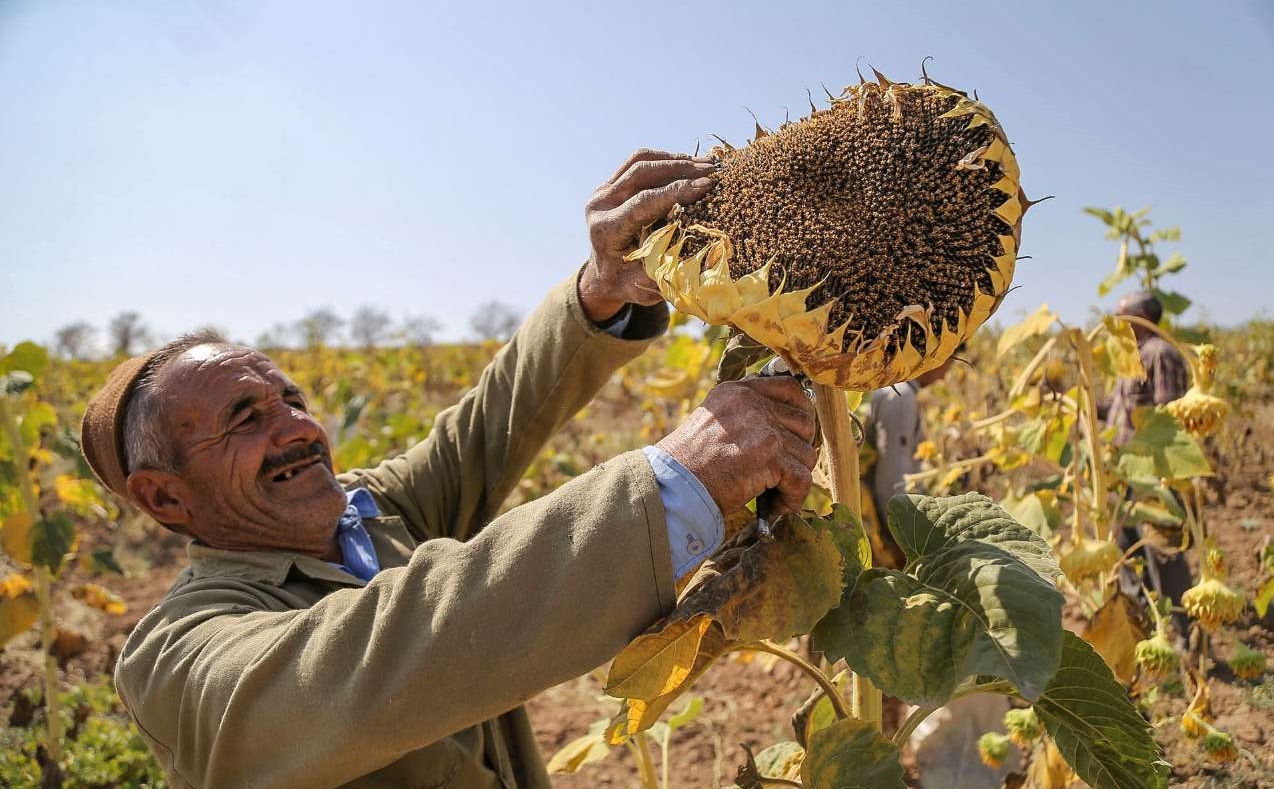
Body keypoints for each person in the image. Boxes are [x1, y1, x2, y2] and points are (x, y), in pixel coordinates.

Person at [81, 150, 819, 789]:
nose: (299, 428)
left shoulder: (369, 510)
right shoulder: (176, 656)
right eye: (245, 418)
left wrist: (598, 289)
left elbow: (489, 427)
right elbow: (374, 663)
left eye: (292, 398)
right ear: (164, 496)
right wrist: (674, 484)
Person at [1104, 291, 1192, 636]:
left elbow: (1169, 417)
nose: (1115, 321)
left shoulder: (1160, 354)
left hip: (1152, 472)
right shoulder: (1131, 357)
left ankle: (1185, 631)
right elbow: (1115, 409)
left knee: (1162, 551)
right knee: (1126, 548)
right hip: (1125, 469)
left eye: (1121, 314)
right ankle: (1146, 628)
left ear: (1141, 317)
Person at [863, 353, 957, 567]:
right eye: (949, 363)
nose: (944, 377)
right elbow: (893, 479)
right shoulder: (900, 396)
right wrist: (907, 538)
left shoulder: (897, 390)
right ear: (939, 355)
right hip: (884, 529)